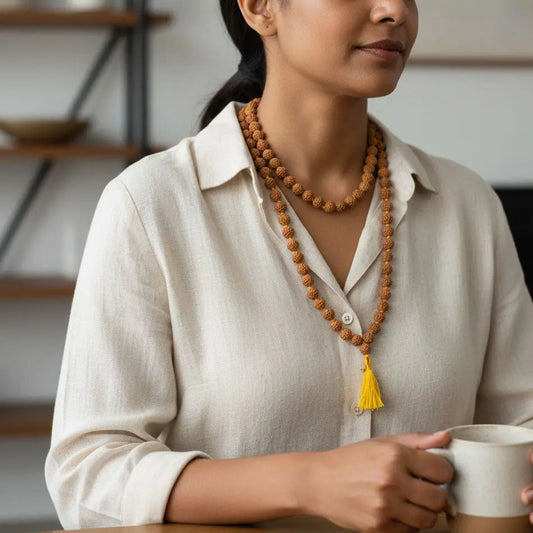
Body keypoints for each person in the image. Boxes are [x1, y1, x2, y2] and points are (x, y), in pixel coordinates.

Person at [45, 1, 533, 531]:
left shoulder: (468, 206)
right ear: (259, 8)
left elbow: (520, 419)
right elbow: (87, 475)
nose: (394, 10)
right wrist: (308, 483)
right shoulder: (151, 206)